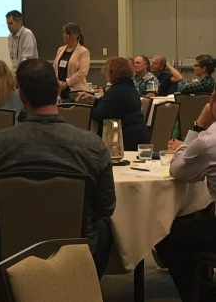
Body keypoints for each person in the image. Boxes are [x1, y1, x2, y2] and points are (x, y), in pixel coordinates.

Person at [0, 59, 115, 278]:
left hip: (14, 249)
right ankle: (85, 288)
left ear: (21, 96)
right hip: (77, 248)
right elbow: (106, 207)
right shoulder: (92, 145)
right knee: (106, 228)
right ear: (57, 92)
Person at [155, 91, 216, 302]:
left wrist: (198, 125)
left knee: (165, 234)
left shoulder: (209, 140)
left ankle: (202, 297)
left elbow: (179, 171)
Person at [77, 57, 150, 150]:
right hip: (138, 135)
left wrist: (83, 109)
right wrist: (94, 100)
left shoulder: (117, 91)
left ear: (112, 73)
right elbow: (111, 106)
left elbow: (101, 115)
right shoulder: (129, 87)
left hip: (125, 139)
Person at [53, 22, 90, 101]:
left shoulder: (83, 51)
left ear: (76, 35)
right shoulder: (60, 49)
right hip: (59, 90)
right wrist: (57, 82)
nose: (64, 35)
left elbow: (82, 72)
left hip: (75, 91)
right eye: (63, 33)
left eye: (67, 33)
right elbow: (54, 68)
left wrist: (67, 83)